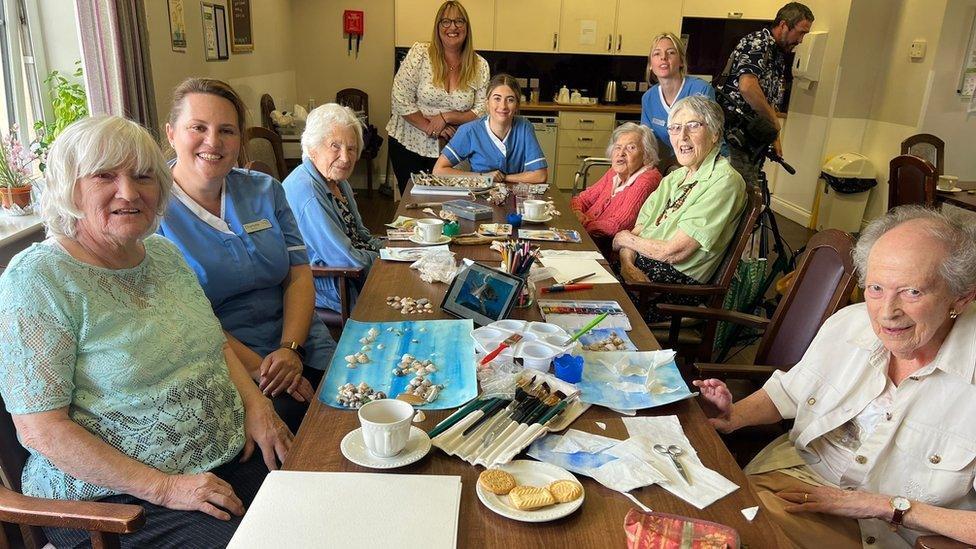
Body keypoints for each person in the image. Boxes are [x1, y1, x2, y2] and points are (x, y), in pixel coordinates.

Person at [0, 115, 291, 547]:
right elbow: (42, 429)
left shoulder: (162, 254)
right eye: (105, 176)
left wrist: (257, 406)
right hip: (117, 504)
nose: (129, 192)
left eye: (143, 176)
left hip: (226, 457)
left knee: (330, 494)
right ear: (69, 188)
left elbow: (212, 344)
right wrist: (165, 488)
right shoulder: (40, 278)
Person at [695, 206, 976, 549]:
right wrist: (733, 415)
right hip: (790, 479)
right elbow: (787, 394)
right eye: (875, 288)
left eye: (912, 292)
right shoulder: (849, 323)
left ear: (961, 298)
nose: (887, 312)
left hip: (879, 531)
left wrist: (886, 506)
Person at [159, 78, 336, 432]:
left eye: (227, 130)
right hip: (228, 361)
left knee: (359, 400)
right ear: (171, 134)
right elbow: (187, 318)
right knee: (303, 428)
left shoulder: (264, 190)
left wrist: (290, 348)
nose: (213, 142)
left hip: (300, 338)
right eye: (198, 128)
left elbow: (298, 274)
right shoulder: (152, 212)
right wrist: (264, 368)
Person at [613, 96, 745, 321]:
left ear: (714, 134)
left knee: (587, 305)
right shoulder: (674, 178)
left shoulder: (724, 181)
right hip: (638, 276)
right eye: (675, 128)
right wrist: (627, 264)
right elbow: (637, 232)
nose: (682, 136)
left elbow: (675, 251)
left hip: (669, 290)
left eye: (693, 126)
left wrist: (622, 238)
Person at [282, 103, 382, 314]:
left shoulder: (336, 180)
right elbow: (344, 259)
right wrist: (386, 259)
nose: (345, 158)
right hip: (334, 285)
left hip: (355, 273)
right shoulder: (307, 191)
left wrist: (390, 248)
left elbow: (360, 233)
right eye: (335, 146)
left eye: (352, 148)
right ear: (312, 148)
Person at [386, 0, 490, 194]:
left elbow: (482, 110)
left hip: (454, 149)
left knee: (452, 204)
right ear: (438, 27)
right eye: (446, 22)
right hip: (410, 143)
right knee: (414, 203)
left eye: (459, 21)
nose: (452, 27)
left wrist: (447, 117)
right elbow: (400, 98)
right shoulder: (420, 53)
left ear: (467, 28)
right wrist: (432, 128)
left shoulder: (480, 65)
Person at [715, 2, 813, 187]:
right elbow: (747, 87)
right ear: (784, 25)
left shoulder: (776, 53)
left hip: (751, 138)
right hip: (733, 137)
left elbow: (767, 101)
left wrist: (774, 138)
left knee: (746, 193)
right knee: (734, 194)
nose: (801, 40)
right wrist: (774, 124)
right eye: (800, 32)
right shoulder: (757, 43)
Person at [432, 73, 548, 184]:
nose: (503, 106)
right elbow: (438, 170)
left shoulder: (524, 127)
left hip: (514, 196)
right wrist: (484, 177)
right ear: (487, 103)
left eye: (510, 100)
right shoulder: (470, 131)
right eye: (497, 98)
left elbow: (540, 175)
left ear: (517, 106)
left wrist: (504, 178)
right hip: (478, 196)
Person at [570, 122, 661, 252]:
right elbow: (581, 199)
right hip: (586, 237)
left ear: (646, 155)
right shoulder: (615, 172)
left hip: (606, 250)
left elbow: (617, 226)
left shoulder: (648, 179)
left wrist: (583, 223)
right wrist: (578, 213)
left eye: (631, 148)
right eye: (618, 147)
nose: (621, 153)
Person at [640, 32, 718, 166]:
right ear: (651, 65)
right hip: (674, 164)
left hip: (706, 162)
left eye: (670, 53)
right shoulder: (649, 98)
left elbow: (710, 138)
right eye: (657, 54)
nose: (663, 57)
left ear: (681, 61)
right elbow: (648, 141)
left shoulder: (701, 90)